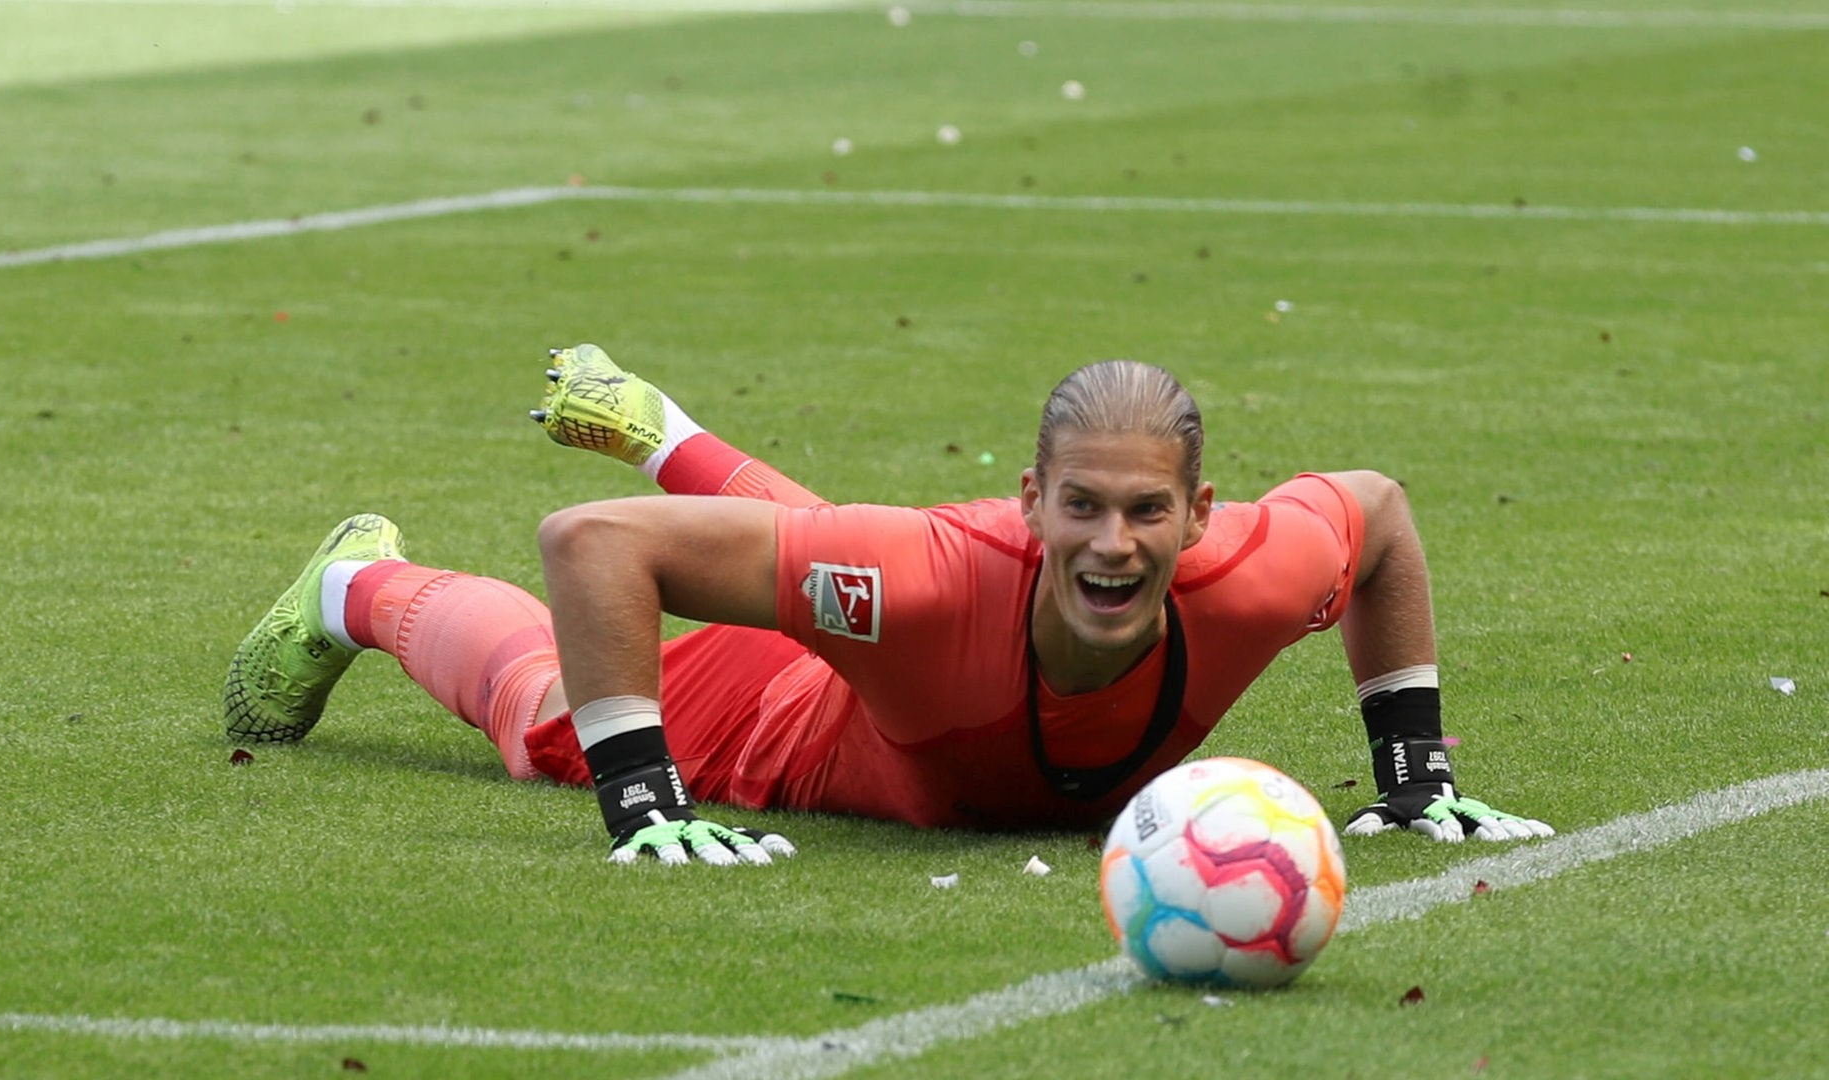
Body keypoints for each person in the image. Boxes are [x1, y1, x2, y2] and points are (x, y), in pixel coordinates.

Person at [223, 345, 1553, 865]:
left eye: (1149, 512)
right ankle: (351, 585)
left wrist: (1415, 778)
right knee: (549, 713)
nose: (1114, 541)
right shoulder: (938, 574)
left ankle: (668, 427)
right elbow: (587, 546)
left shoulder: (1258, 569)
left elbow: (1373, 510)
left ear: (1202, 517)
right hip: (796, 723)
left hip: (914, 646)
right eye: (1081, 507)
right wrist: (646, 801)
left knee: (856, 581)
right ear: (1031, 501)